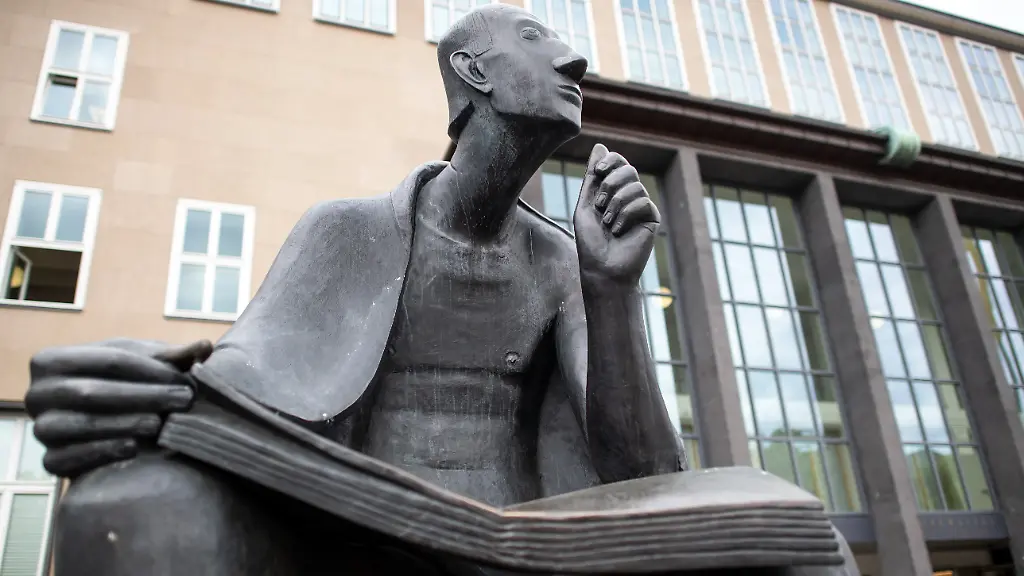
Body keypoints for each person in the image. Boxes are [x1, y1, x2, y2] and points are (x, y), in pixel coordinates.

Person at [25, 5, 857, 575]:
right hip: (355, 532)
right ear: (472, 72)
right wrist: (148, 383)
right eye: (537, 40)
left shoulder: (564, 260)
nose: (575, 60)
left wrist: (612, 289)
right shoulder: (346, 230)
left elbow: (643, 468)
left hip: (533, 544)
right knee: (138, 501)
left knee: (800, 541)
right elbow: (244, 382)